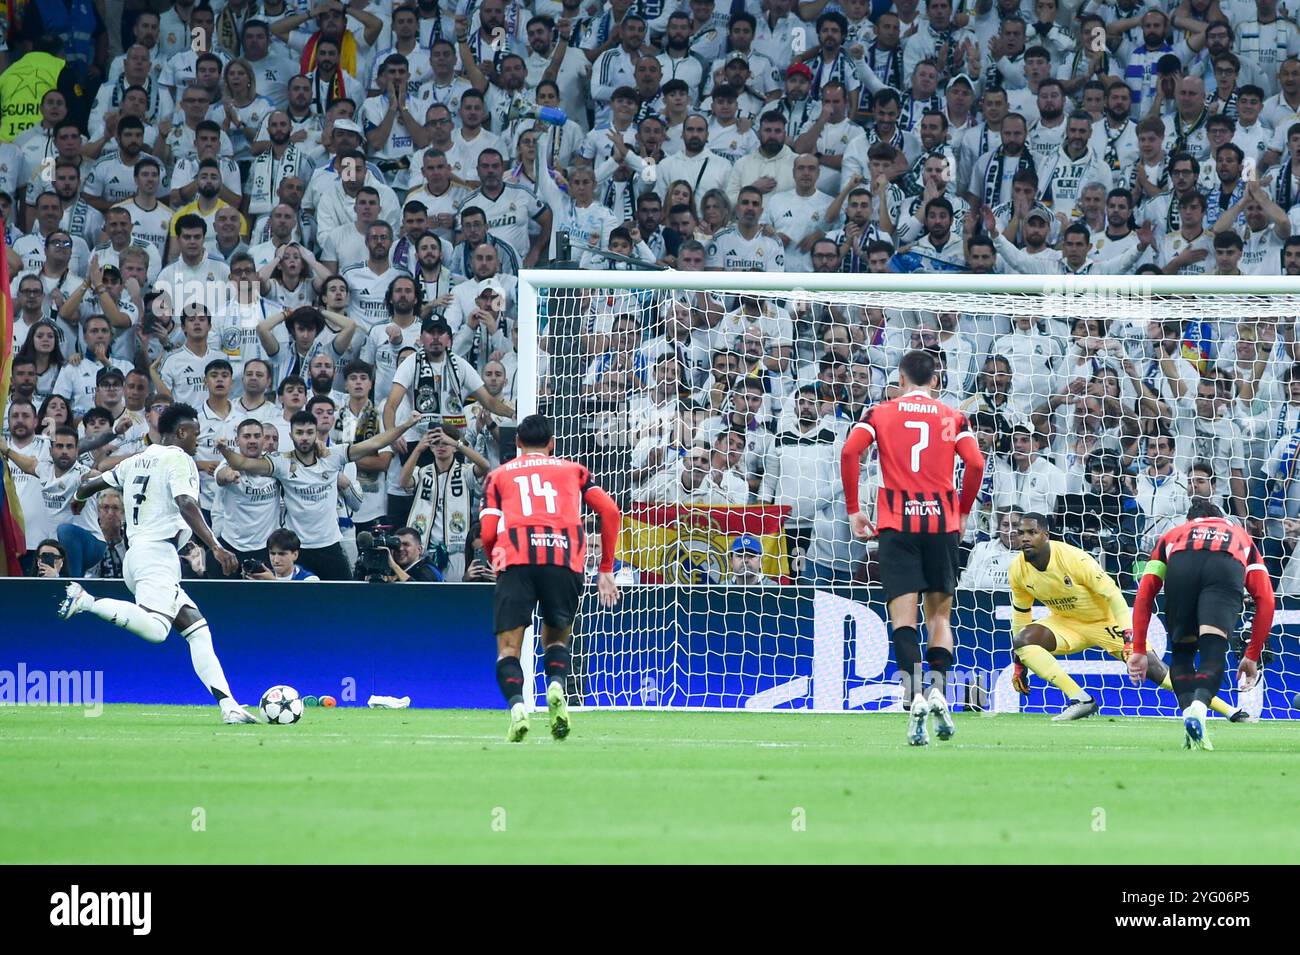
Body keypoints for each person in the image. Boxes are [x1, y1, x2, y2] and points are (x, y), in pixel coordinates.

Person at [55, 404, 256, 725]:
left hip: (139, 556)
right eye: (196, 434)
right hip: (156, 557)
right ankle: (87, 601)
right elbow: (186, 502)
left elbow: (89, 485)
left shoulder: (135, 459)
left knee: (198, 631)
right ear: (181, 432)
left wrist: (79, 499)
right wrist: (215, 547)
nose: (197, 441)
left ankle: (229, 705)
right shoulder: (179, 459)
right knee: (157, 631)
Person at [839, 349, 985, 746]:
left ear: (900, 380)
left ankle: (915, 693)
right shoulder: (953, 417)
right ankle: (937, 688)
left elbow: (850, 452)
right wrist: (963, 510)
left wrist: (855, 510)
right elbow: (975, 464)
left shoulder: (880, 413)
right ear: (935, 381)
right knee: (940, 618)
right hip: (941, 525)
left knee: (904, 620)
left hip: (896, 525)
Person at [1011, 511, 1243, 723]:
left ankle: (1229, 711)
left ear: (1046, 535)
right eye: (1020, 533)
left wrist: (1129, 635)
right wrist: (1019, 663)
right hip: (1066, 623)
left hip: (1107, 621)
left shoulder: (1074, 559)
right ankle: (1080, 699)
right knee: (1023, 640)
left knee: (1157, 671)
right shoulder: (1017, 569)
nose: (1025, 538)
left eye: (1032, 532)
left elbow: (1113, 595)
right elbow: (1021, 614)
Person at [481, 413, 622, 743]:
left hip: (516, 561)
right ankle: (556, 686)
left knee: (508, 650)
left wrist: (495, 561)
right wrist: (605, 569)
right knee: (557, 640)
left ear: (517, 443)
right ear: (552, 444)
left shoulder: (498, 476)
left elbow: (488, 532)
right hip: (563, 559)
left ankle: (518, 707)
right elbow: (611, 512)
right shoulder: (573, 470)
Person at [213, 409, 427, 580]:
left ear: (317, 434)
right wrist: (224, 450)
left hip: (329, 545)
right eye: (299, 432)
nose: (304, 438)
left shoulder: (334, 456)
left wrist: (407, 425)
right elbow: (241, 462)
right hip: (297, 549)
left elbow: (375, 443)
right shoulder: (281, 463)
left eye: (309, 432)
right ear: (291, 435)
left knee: (342, 602)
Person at [1130, 502, 1275, 750]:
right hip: (1225, 564)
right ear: (1219, 518)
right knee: (1213, 650)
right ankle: (1199, 710)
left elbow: (1145, 594)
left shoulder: (1172, 535)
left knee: (1183, 654)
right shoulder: (1241, 537)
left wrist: (1139, 649)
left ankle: (1190, 715)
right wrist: (1252, 655)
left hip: (1181, 563)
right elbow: (1267, 600)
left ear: (1190, 521)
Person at [245, 528, 321, 581]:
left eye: (282, 554)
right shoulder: (262, 578)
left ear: (295, 555)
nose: (276, 560)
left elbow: (299, 602)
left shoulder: (310, 580)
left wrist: (272, 583)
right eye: (272, 553)